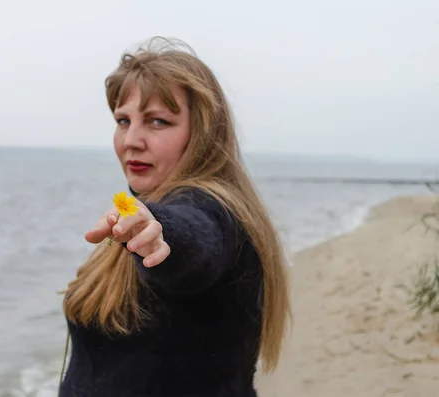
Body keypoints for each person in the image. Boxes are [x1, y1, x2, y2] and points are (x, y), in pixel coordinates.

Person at [60, 37, 291, 397]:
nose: (132, 140)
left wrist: (160, 234)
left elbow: (197, 240)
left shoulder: (217, 211)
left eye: (157, 122)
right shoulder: (142, 210)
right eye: (123, 120)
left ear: (201, 132)